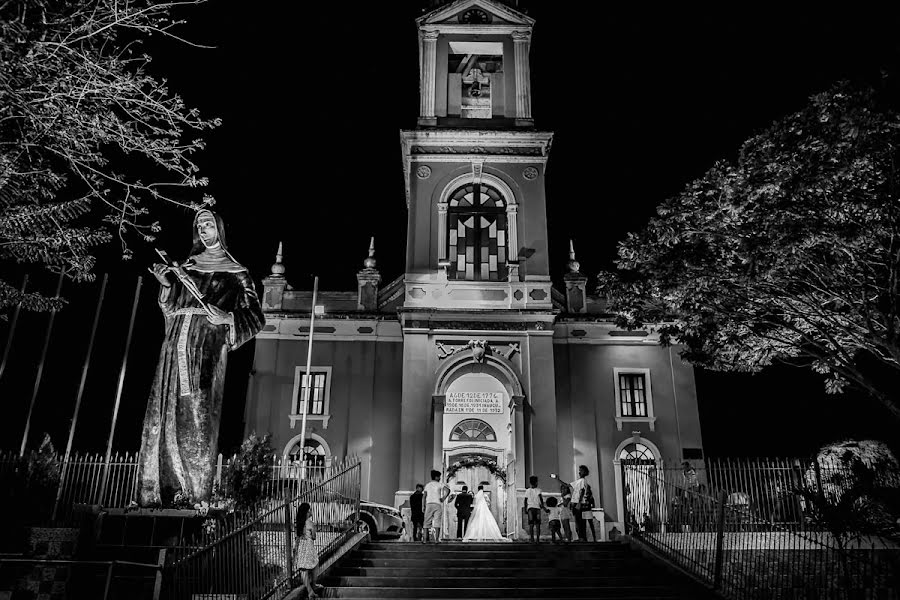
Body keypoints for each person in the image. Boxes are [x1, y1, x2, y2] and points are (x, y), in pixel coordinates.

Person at [138, 209, 264, 506]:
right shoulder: (185, 267)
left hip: (205, 346)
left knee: (197, 414)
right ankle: (155, 492)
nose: (204, 229)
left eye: (209, 224)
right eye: (200, 225)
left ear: (219, 229)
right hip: (174, 342)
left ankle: (195, 494)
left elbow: (255, 316)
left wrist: (228, 317)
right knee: (161, 415)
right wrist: (167, 287)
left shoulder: (236, 272)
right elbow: (169, 310)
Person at [294, 502, 324, 599]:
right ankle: (314, 585)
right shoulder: (311, 523)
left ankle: (309, 591)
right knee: (315, 564)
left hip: (301, 547)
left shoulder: (298, 524)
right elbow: (314, 537)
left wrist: (295, 550)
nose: (311, 511)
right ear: (307, 512)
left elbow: (297, 537)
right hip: (309, 546)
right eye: (309, 509)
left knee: (304, 569)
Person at [423, 470, 448, 543]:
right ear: (436, 477)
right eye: (439, 477)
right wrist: (443, 498)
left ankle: (424, 539)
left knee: (426, 522)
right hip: (437, 504)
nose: (440, 478)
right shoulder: (440, 484)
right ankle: (436, 539)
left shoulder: (427, 485)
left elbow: (424, 496)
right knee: (437, 521)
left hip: (429, 504)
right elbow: (448, 490)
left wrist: (423, 506)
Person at [524, 475, 545, 542]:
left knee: (531, 524)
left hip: (530, 508)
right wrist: (542, 505)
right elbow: (540, 498)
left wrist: (525, 509)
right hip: (537, 508)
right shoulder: (539, 490)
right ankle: (538, 539)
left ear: (530, 482)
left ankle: (532, 538)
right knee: (538, 524)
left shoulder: (527, 490)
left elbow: (525, 500)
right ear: (536, 482)